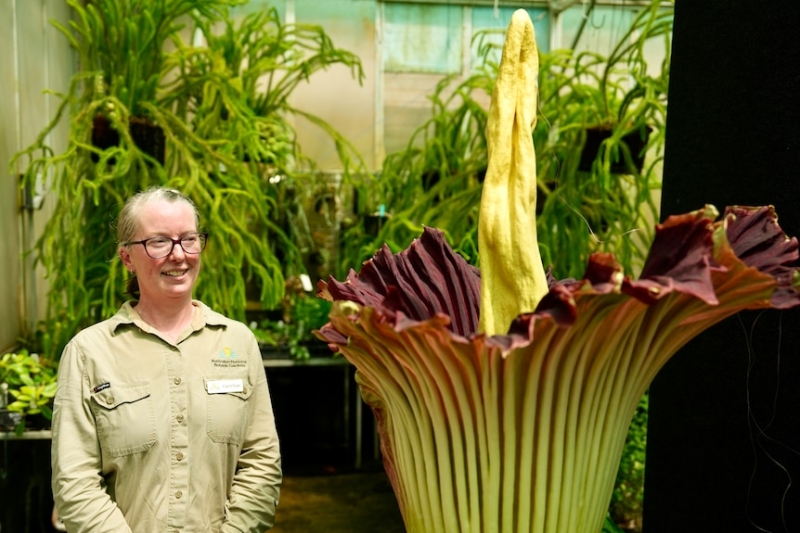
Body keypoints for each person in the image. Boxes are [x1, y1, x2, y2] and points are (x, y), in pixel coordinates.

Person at [51, 187, 282, 532]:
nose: (179, 255)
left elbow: (262, 461)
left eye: (189, 239)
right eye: (159, 242)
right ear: (127, 257)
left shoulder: (237, 343)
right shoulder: (89, 352)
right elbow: (75, 482)